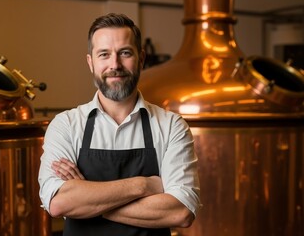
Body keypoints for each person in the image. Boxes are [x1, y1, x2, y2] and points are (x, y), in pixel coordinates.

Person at [38, 13, 201, 236]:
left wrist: (89, 201)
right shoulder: (66, 125)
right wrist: (144, 186)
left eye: (125, 53)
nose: (115, 64)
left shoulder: (171, 126)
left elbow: (180, 211)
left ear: (141, 59)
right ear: (91, 62)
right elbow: (59, 203)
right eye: (104, 54)